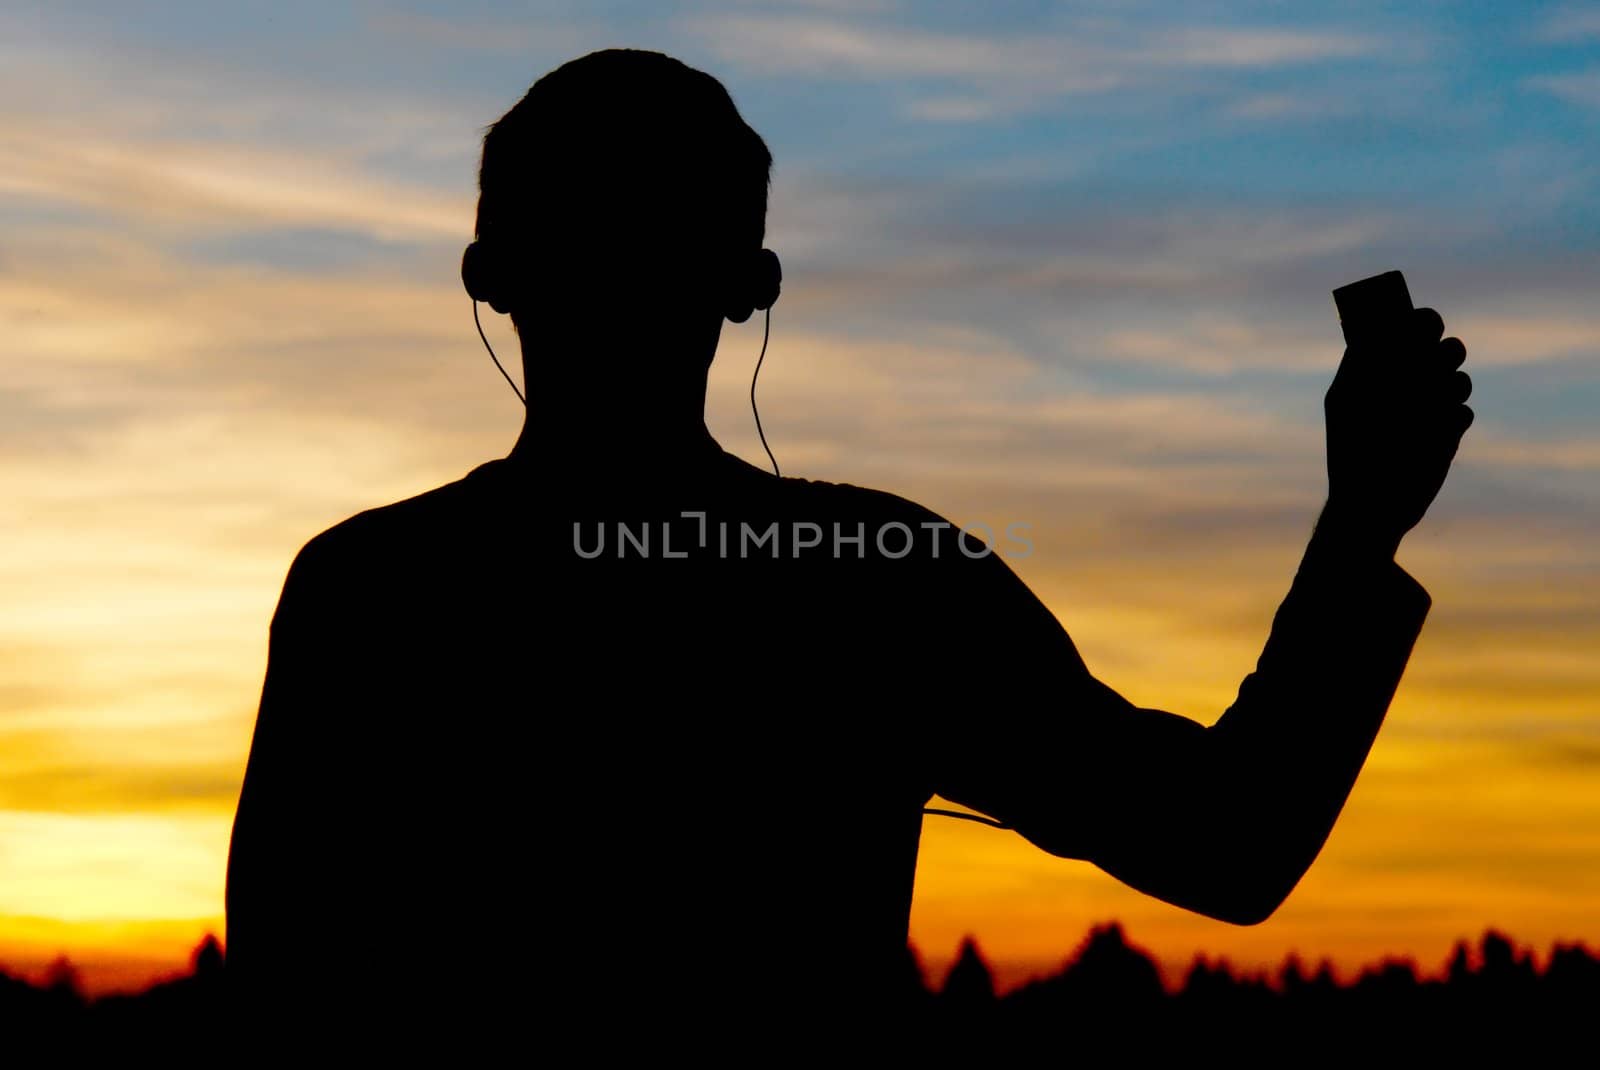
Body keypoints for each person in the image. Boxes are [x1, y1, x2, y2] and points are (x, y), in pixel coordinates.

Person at [225, 48, 1474, 1046]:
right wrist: (1358, 522)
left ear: (488, 275)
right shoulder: (873, 580)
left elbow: (289, 993)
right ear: (750, 282)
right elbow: (1227, 841)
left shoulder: (368, 590)